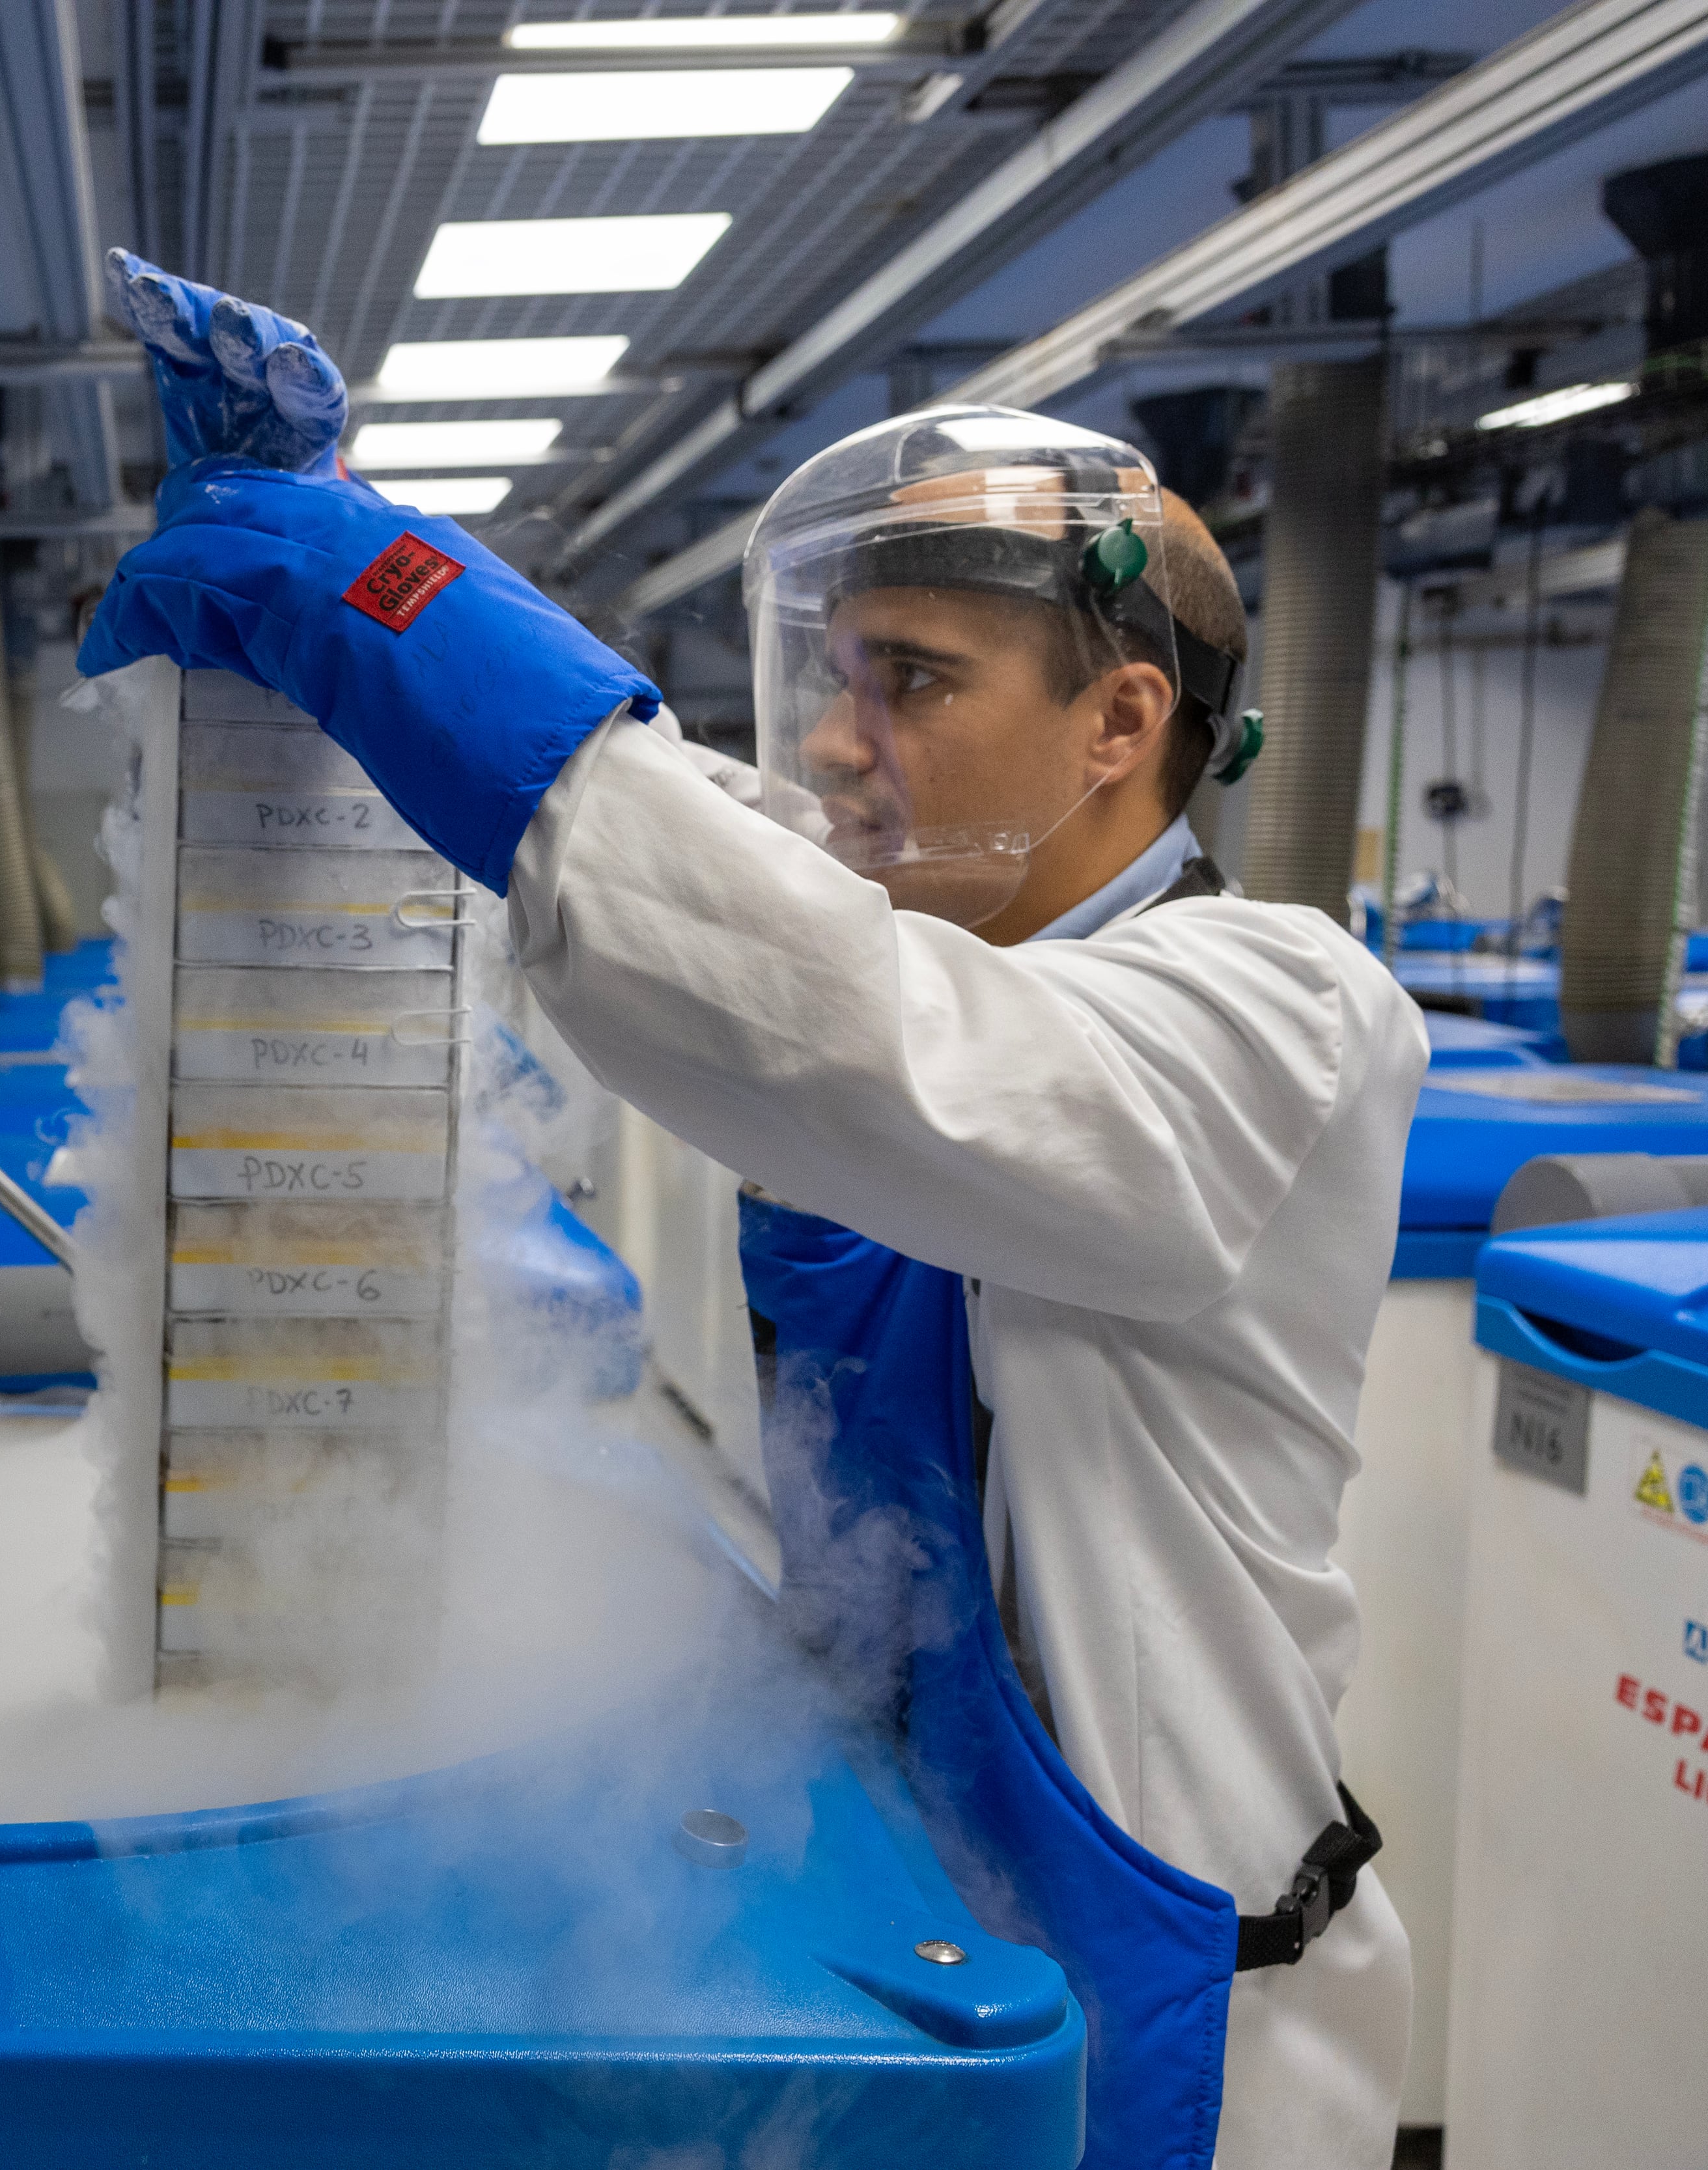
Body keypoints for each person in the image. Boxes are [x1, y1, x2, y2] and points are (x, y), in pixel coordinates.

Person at [80, 252, 1421, 2170]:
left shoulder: (1279, 1011)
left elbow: (827, 1023)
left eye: (918, 684)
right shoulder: (934, 937)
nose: (835, 741)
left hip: (1175, 2019)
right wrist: (383, 565)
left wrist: (390, 610)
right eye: (838, 673)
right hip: (915, 1930)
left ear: (1123, 722)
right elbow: (717, 874)